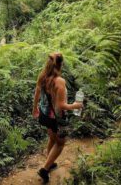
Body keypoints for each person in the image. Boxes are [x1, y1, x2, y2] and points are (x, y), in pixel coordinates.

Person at [32, 52, 83, 183]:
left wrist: (35, 108)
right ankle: (44, 169)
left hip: (44, 115)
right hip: (56, 118)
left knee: (52, 139)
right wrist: (75, 105)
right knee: (60, 144)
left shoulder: (42, 76)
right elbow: (61, 105)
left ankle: (49, 163)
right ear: (60, 64)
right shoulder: (59, 81)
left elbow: (37, 92)